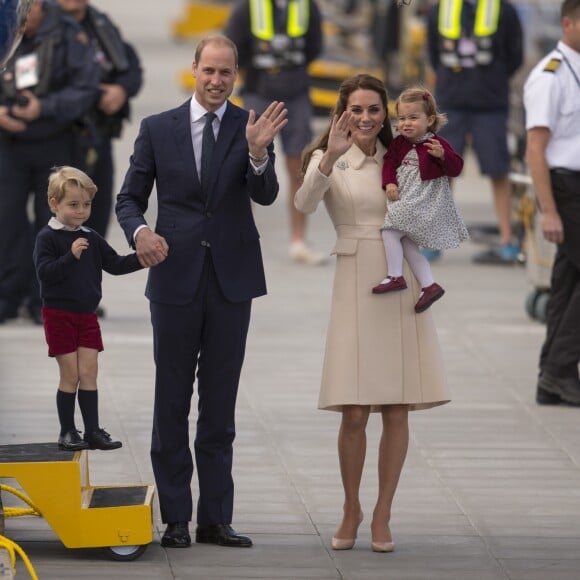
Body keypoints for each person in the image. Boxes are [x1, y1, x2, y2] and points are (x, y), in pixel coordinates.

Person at [115, 35, 287, 549]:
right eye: (209, 71)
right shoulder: (157, 129)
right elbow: (129, 199)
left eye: (226, 73)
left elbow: (267, 194)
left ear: (236, 75)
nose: (217, 81)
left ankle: (214, 517)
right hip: (174, 280)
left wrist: (258, 155)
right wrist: (140, 234)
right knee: (171, 401)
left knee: (220, 404)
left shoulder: (249, 126)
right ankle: (174, 517)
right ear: (194, 69)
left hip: (231, 283)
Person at [295, 74, 450, 552]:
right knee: (355, 411)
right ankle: (351, 506)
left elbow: (433, 205)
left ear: (386, 112)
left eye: (374, 110)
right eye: (356, 109)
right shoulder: (327, 157)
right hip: (354, 279)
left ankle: (383, 511)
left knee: (398, 407)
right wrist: (333, 156)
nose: (365, 118)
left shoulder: (404, 154)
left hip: (398, 275)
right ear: (341, 112)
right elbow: (303, 204)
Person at [0, 0, 100, 325]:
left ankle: (44, 300)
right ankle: (6, 297)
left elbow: (85, 90)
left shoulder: (69, 36)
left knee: (53, 228)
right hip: (9, 145)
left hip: (53, 143)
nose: (19, 19)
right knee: (7, 222)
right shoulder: (6, 30)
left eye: (23, 12)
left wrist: (42, 108)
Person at [33, 166, 145, 451]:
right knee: (70, 374)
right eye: (73, 205)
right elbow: (45, 273)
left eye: (86, 204)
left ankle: (93, 430)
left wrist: (142, 259)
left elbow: (116, 264)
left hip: (86, 315)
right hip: (59, 315)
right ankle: (68, 430)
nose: (81, 211)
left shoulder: (91, 237)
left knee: (90, 372)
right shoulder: (47, 238)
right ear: (54, 204)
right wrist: (70, 257)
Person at [224, 0, 326, 265]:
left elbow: (315, 45)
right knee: (247, 166)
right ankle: (240, 239)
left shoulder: (307, 7)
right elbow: (233, 48)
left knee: (299, 167)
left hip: (297, 95)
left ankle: (299, 240)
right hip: (259, 94)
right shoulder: (247, 8)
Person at [426, 0, 523, 264]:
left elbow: (515, 55)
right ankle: (433, 239)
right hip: (451, 102)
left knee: (498, 169)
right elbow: (433, 54)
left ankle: (506, 240)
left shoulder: (504, 10)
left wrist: (490, 78)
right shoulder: (440, 10)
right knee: (442, 169)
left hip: (490, 104)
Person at [523, 0, 580, 407]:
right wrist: (549, 210)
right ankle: (561, 369)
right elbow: (535, 149)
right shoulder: (550, 75)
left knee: (568, 282)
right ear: (567, 23)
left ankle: (551, 376)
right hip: (565, 187)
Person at [373, 87, 468, 313]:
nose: (406, 123)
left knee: (389, 231)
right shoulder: (398, 143)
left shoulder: (436, 143)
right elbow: (388, 164)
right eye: (402, 118)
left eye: (413, 118)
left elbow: (457, 168)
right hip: (406, 196)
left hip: (423, 200)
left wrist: (443, 156)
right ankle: (429, 285)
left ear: (430, 119)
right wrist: (390, 183)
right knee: (407, 244)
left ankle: (395, 275)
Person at [57, 0, 143, 242]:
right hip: (56, 139)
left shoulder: (100, 24)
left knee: (94, 226)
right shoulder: (41, 27)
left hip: (97, 137)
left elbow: (130, 67)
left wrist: (121, 89)